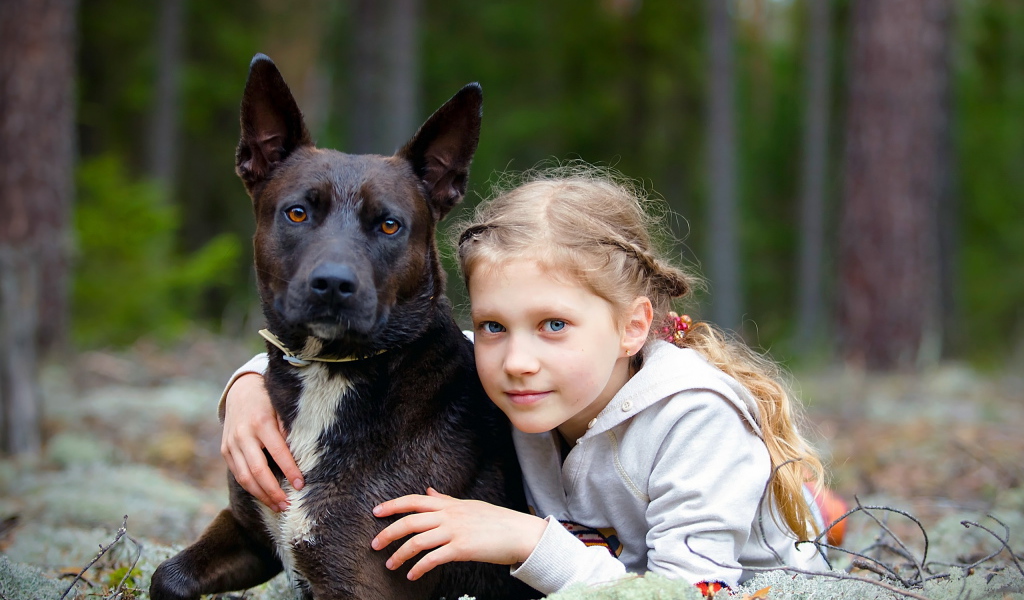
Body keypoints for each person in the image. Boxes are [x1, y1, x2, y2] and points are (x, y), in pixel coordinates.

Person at [218, 165, 832, 596]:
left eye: (554, 324)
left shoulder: (693, 423)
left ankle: (803, 508)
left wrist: (527, 540)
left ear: (632, 327)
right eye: (492, 325)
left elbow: (694, 595)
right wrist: (247, 386)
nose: (516, 360)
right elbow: (385, 352)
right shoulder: (523, 379)